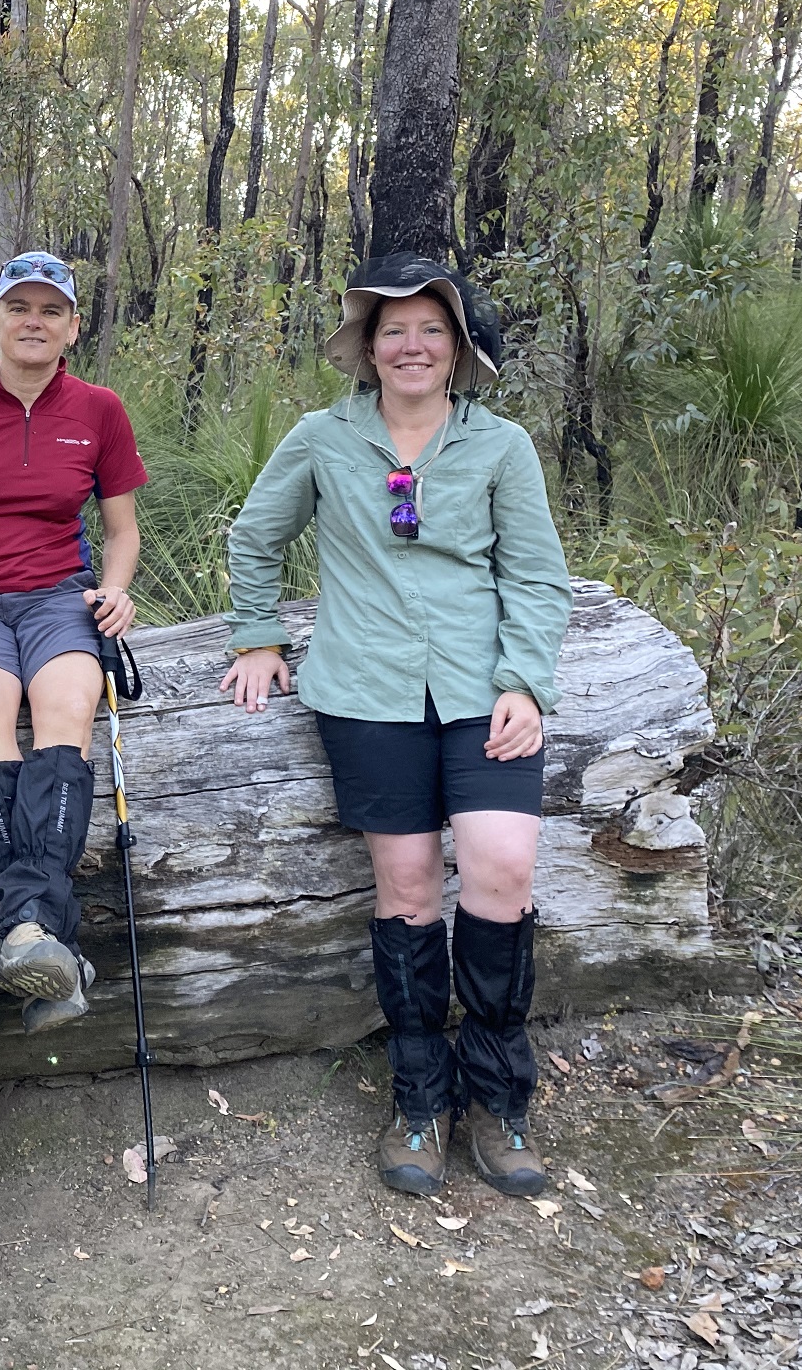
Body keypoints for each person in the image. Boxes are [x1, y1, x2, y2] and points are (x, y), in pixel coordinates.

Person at [218, 252, 572, 1198]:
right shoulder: (322, 440)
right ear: (368, 350)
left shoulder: (500, 448)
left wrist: (526, 682)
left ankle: (498, 1098)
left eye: (431, 329)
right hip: (367, 692)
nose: (411, 345)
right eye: (393, 330)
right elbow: (255, 535)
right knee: (408, 888)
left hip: (480, 690)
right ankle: (419, 1099)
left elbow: (536, 576)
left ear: (456, 350)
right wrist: (258, 636)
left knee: (501, 869)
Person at [0, 251, 146, 1035]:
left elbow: (121, 531)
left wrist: (115, 588)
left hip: (55, 598)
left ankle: (22, 930)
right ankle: (46, 945)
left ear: (73, 326)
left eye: (50, 310)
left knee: (67, 710)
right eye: (19, 308)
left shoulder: (100, 411)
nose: (33, 322)